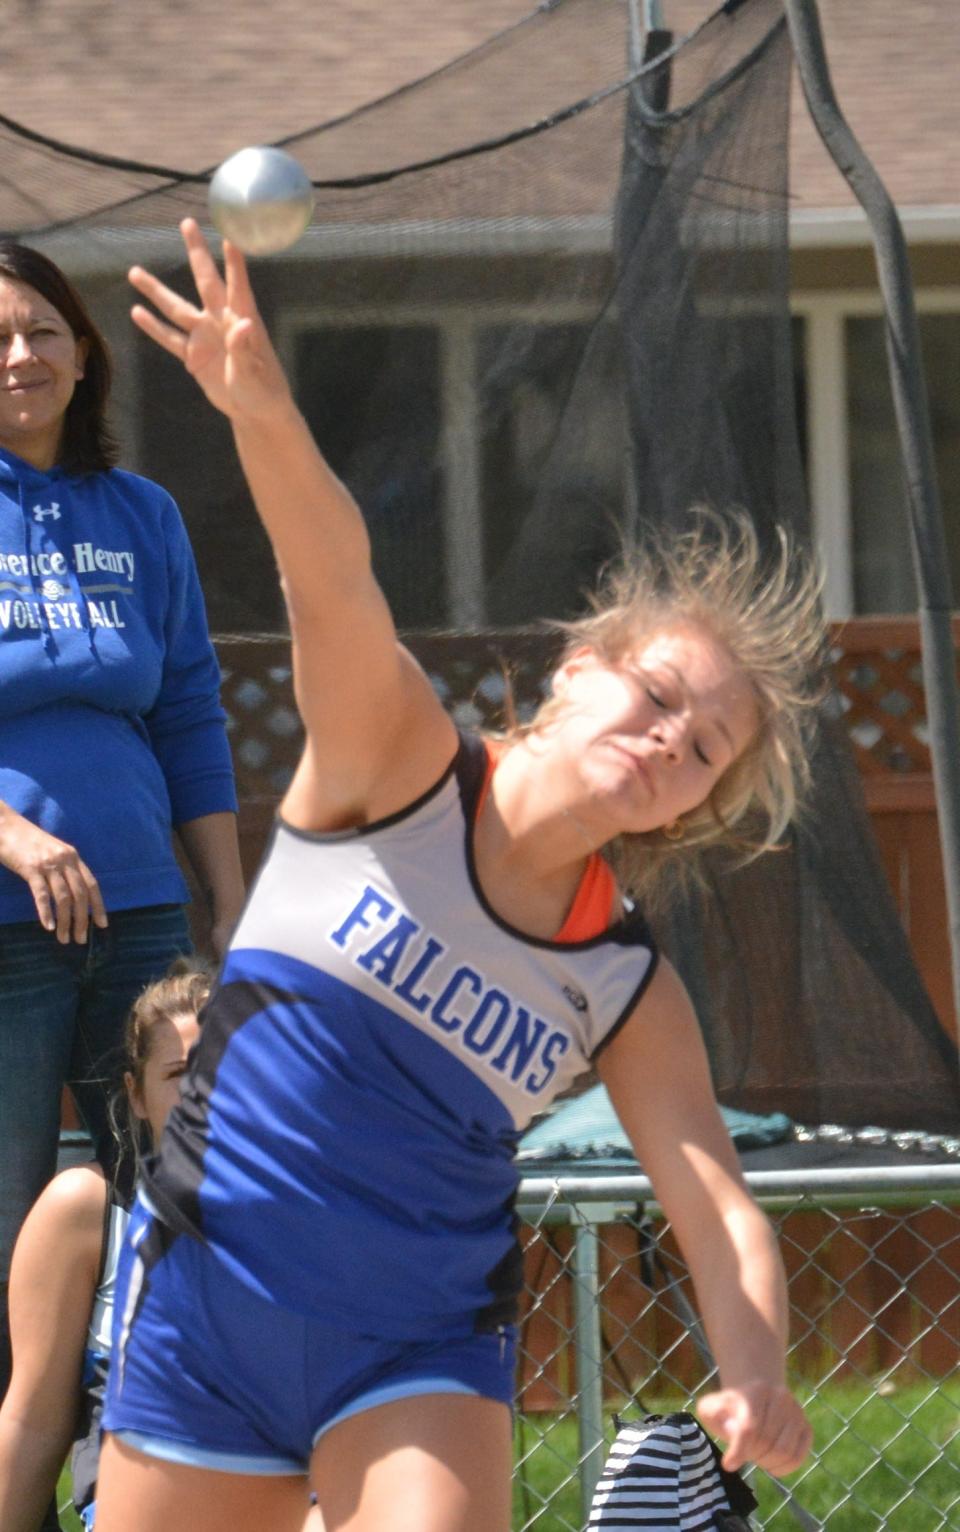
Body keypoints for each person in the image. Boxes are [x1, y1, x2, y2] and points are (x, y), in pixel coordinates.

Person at [95, 220, 823, 1532]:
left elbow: (712, 1198)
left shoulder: (619, 977)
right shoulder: (397, 767)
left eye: (706, 749)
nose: (671, 741)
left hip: (414, 1355)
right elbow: (335, 584)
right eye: (657, 694)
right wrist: (263, 415)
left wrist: (755, 1374)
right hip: (209, 1312)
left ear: (702, 802)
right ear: (574, 667)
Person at [0, 241, 245, 1443]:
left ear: (84, 353)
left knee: (162, 1206)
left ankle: (139, 1471)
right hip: (6, 930)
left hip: (143, 917)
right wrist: (11, 834)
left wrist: (230, 895)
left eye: (43, 329)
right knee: (11, 1235)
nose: (20, 354)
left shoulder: (141, 514)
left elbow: (190, 707)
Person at [0, 965, 209, 1531]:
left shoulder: (323, 1214)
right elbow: (33, 1423)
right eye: (179, 1074)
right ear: (136, 1096)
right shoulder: (86, 1211)